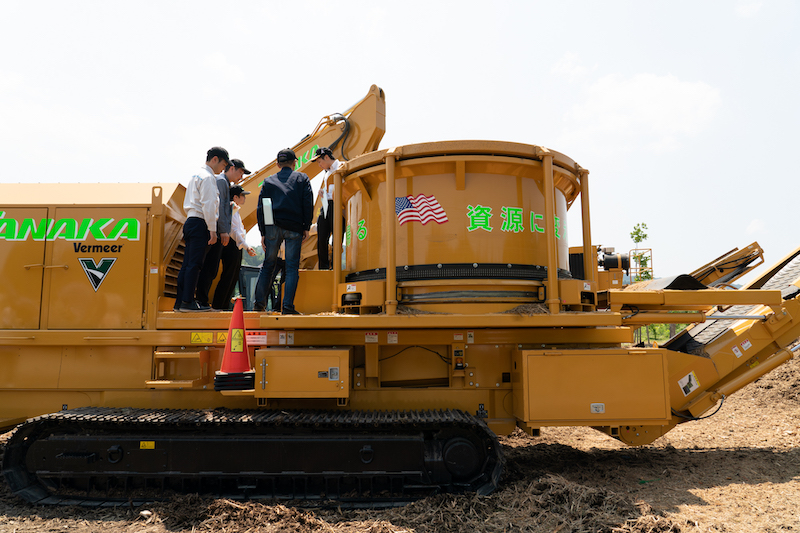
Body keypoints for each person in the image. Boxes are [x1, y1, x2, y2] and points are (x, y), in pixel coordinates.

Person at [253, 148, 313, 314]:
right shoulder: (302, 178)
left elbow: (263, 207)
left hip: (273, 226)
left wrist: (264, 231)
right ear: (295, 163)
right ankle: (287, 307)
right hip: (294, 226)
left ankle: (259, 305)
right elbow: (307, 203)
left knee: (268, 265)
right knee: (292, 267)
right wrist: (306, 227)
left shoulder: (269, 181)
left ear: (278, 164)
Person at [174, 146, 229, 312]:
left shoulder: (195, 175)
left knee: (187, 264)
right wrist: (212, 230)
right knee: (195, 264)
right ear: (214, 159)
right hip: (201, 222)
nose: (222, 170)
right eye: (223, 165)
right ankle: (188, 302)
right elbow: (209, 204)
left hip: (190, 220)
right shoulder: (208, 178)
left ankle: (181, 302)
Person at [196, 158, 251, 308]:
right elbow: (218, 208)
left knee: (212, 269)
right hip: (219, 233)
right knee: (210, 268)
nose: (241, 176)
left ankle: (204, 300)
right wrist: (223, 231)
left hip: (220, 232)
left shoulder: (225, 183)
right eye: (240, 172)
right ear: (231, 168)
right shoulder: (221, 182)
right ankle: (202, 300)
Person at [212, 184, 257, 310]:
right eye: (243, 196)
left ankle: (223, 304)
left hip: (236, 245)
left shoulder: (235, 210)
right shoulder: (231, 209)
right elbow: (234, 231)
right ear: (235, 197)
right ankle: (219, 304)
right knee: (229, 276)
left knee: (233, 276)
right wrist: (246, 246)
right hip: (232, 245)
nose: (245, 198)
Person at [311, 147, 344, 270]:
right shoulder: (327, 173)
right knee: (321, 234)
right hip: (326, 204)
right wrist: (323, 192)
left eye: (320, 162)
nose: (319, 165)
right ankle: (323, 267)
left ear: (326, 157)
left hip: (338, 204)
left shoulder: (342, 167)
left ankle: (335, 266)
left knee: (337, 236)